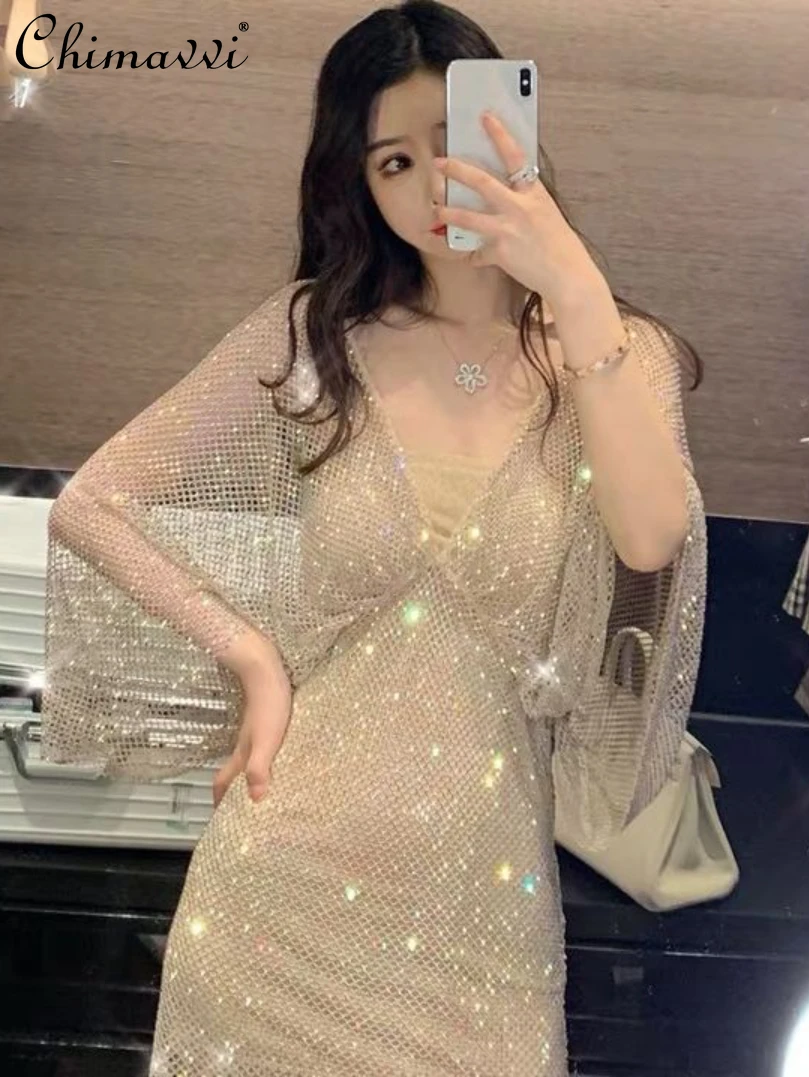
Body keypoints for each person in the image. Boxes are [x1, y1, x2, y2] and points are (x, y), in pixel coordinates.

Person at [40, 2, 707, 1073]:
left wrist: (570, 282)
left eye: (454, 140)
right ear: (359, 184)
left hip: (482, 929)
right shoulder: (318, 334)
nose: (431, 184)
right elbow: (95, 505)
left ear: (512, 131)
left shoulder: (613, 351)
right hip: (277, 901)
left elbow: (649, 537)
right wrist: (253, 657)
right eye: (393, 161)